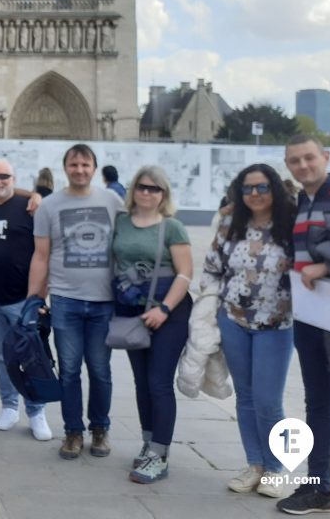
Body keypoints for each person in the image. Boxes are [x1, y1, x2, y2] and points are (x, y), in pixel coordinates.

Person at [277, 135, 330, 517]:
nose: (303, 166)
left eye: (309, 158)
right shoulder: (297, 204)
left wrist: (325, 267)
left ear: (326, 157)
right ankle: (318, 488)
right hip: (310, 318)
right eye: (294, 161)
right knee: (317, 405)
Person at [201, 163, 294, 499]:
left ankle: (275, 468)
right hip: (234, 321)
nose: (255, 194)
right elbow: (212, 267)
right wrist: (208, 308)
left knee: (269, 401)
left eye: (262, 187)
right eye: (248, 188)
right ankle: (254, 464)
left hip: (276, 325)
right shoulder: (231, 221)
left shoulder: (290, 222)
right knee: (247, 397)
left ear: (275, 189)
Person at [28, 143, 125, 460]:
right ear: (65, 168)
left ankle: (100, 428)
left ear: (94, 168)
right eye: (74, 164)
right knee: (68, 370)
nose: (80, 170)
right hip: (66, 301)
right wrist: (34, 298)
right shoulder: (50, 206)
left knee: (100, 370)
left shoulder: (112, 201)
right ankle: (72, 432)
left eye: (85, 165)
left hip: (103, 302)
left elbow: (127, 245)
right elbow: (41, 255)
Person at [110, 166, 193, 484]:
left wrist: (165, 309)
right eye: (142, 187)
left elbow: (185, 273)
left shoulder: (172, 227)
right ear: (133, 190)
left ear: (164, 194)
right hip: (132, 309)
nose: (147, 192)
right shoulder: (121, 222)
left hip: (168, 312)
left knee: (159, 382)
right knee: (141, 381)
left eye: (154, 189)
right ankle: (148, 442)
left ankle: (160, 454)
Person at [0, 158, 52, 441]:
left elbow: (45, 253)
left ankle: (36, 411)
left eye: (4, 177)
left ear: (14, 179)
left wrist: (41, 294)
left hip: (22, 298)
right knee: (0, 357)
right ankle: (9, 405)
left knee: (30, 357)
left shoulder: (30, 208)